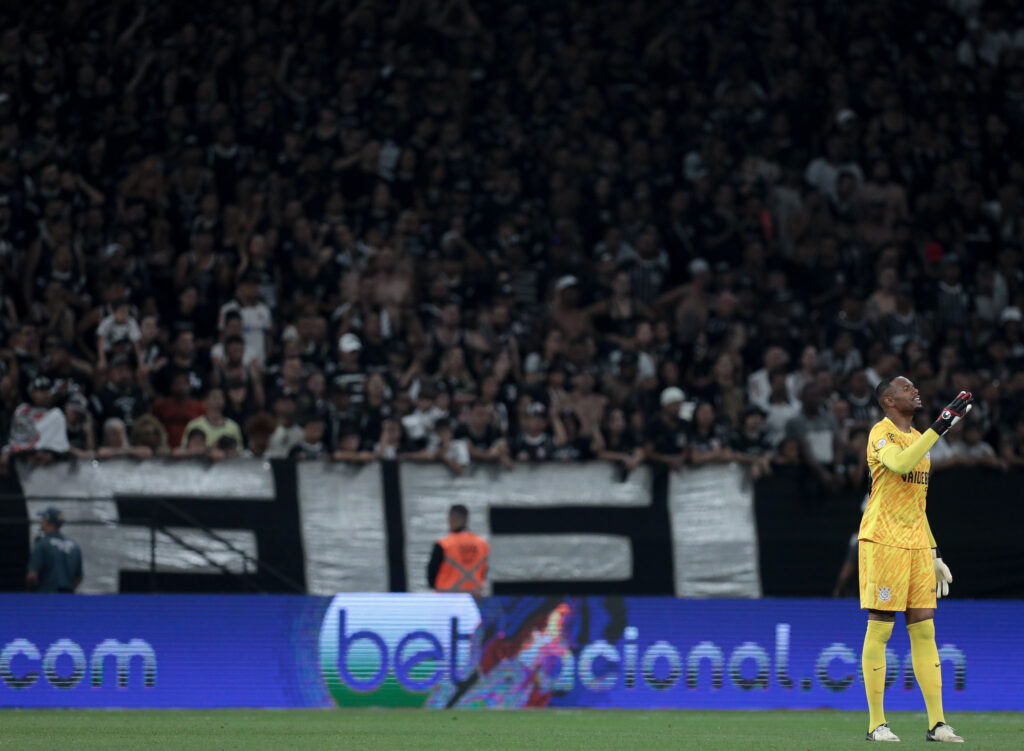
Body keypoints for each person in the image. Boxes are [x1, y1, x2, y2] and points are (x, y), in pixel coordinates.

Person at [858, 376, 971, 743]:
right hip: (884, 540)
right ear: (889, 400)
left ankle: (937, 725)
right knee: (881, 628)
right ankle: (877, 725)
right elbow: (901, 464)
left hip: (917, 545)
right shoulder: (881, 433)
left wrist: (933, 552)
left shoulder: (920, 439)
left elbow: (917, 505)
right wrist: (942, 425)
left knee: (924, 629)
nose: (915, 391)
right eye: (907, 388)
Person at [427, 504, 489, 595]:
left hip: (445, 599)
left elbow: (431, 578)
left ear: (450, 520)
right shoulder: (482, 545)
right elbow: (484, 573)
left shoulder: (443, 545)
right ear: (466, 520)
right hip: (473, 599)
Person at [26, 507, 83, 593]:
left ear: (46, 522)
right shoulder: (75, 546)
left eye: (43, 520)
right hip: (67, 597)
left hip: (45, 596)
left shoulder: (41, 544)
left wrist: (31, 591)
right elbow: (79, 578)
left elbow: (32, 576)